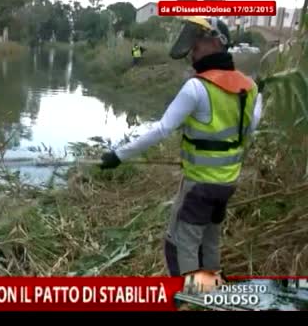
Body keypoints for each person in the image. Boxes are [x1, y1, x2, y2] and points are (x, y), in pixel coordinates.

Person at [99, 16, 264, 280]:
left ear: (215, 43)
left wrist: (119, 155)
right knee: (210, 242)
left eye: (197, 44)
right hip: (227, 185)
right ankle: (211, 294)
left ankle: (190, 301)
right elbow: (250, 127)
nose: (192, 51)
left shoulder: (197, 87)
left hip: (198, 186)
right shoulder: (251, 87)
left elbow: (162, 129)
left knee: (180, 245)